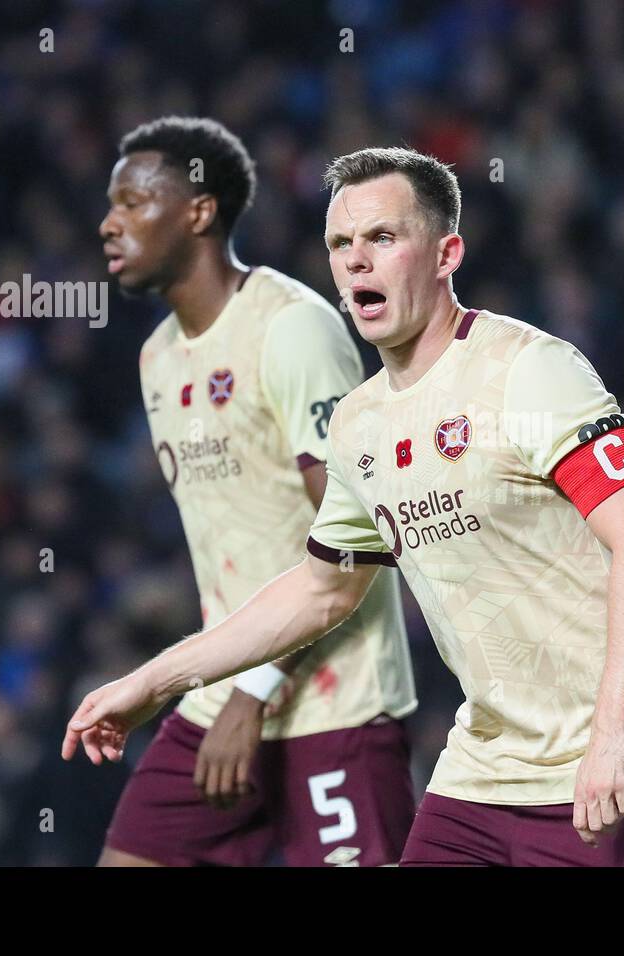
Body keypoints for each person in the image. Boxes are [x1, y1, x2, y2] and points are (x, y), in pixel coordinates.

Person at [67, 145, 624, 867]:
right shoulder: (358, 425)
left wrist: (610, 732)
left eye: (382, 237)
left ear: (447, 254)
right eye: (341, 244)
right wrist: (151, 682)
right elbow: (322, 590)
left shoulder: (528, 371)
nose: (356, 261)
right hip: (486, 769)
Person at [94, 118, 417, 867]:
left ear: (199, 212)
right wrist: (231, 691)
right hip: (218, 698)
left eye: (134, 203)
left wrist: (257, 690)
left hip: (336, 702)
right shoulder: (158, 359)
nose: (109, 223)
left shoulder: (293, 330)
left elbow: (362, 539)